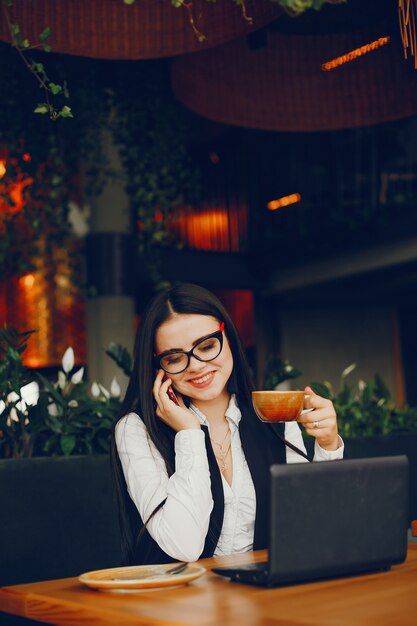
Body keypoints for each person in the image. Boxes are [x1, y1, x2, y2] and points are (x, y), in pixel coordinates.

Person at [112, 282, 343, 566]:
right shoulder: (136, 430)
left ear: (229, 337)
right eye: (174, 357)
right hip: (174, 603)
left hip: (262, 594)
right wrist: (189, 433)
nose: (196, 365)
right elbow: (184, 547)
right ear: (158, 366)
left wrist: (328, 445)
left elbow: (311, 527)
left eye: (207, 345)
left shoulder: (272, 415)